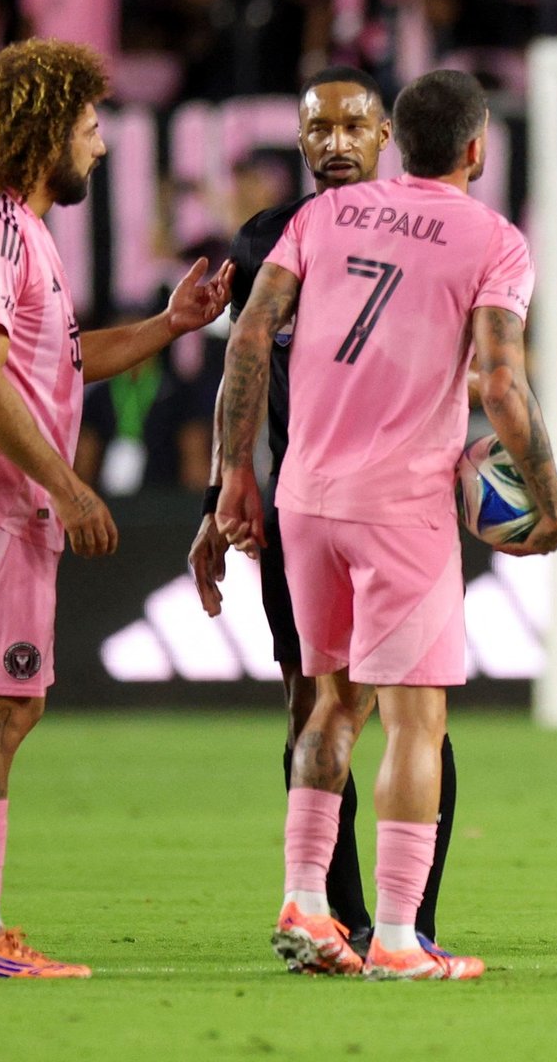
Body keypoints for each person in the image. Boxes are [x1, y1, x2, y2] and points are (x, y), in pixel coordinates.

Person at [217, 69, 557, 980]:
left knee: (330, 702)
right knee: (417, 721)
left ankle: (306, 899)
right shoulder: (494, 240)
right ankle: (402, 940)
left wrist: (233, 474)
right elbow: (499, 379)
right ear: (477, 146)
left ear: (395, 140)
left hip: (304, 495)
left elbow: (251, 337)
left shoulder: (319, 220)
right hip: (400, 506)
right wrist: (550, 493)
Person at [0, 39, 232, 979]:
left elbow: (58, 360)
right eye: (89, 128)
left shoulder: (17, 232)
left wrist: (168, 327)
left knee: (2, 712)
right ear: (47, 134)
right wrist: (69, 486)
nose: (104, 147)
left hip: (4, 511)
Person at [188, 65, 461, 957]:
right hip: (299, 510)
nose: (335, 143)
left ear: (387, 136)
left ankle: (408, 916)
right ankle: (333, 914)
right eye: (318, 130)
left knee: (409, 708)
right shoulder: (269, 238)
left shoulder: (432, 234)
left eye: (354, 126)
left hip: (400, 501)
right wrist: (219, 496)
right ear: (300, 142)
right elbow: (240, 376)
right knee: (314, 701)